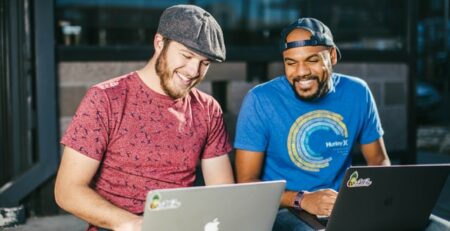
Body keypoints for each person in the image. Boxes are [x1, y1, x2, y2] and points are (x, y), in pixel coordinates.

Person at [54, 5, 234, 231]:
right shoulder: (105, 99)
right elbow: (67, 191)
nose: (193, 70)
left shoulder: (208, 109)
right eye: (187, 55)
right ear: (159, 43)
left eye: (205, 63)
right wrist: (133, 224)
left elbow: (224, 196)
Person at [233, 17, 391, 231]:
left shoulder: (357, 92)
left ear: (332, 56)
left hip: (342, 207)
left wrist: (365, 198)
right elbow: (246, 183)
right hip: (285, 210)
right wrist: (302, 199)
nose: (301, 72)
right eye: (291, 63)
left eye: (312, 60)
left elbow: (378, 160)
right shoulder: (260, 100)